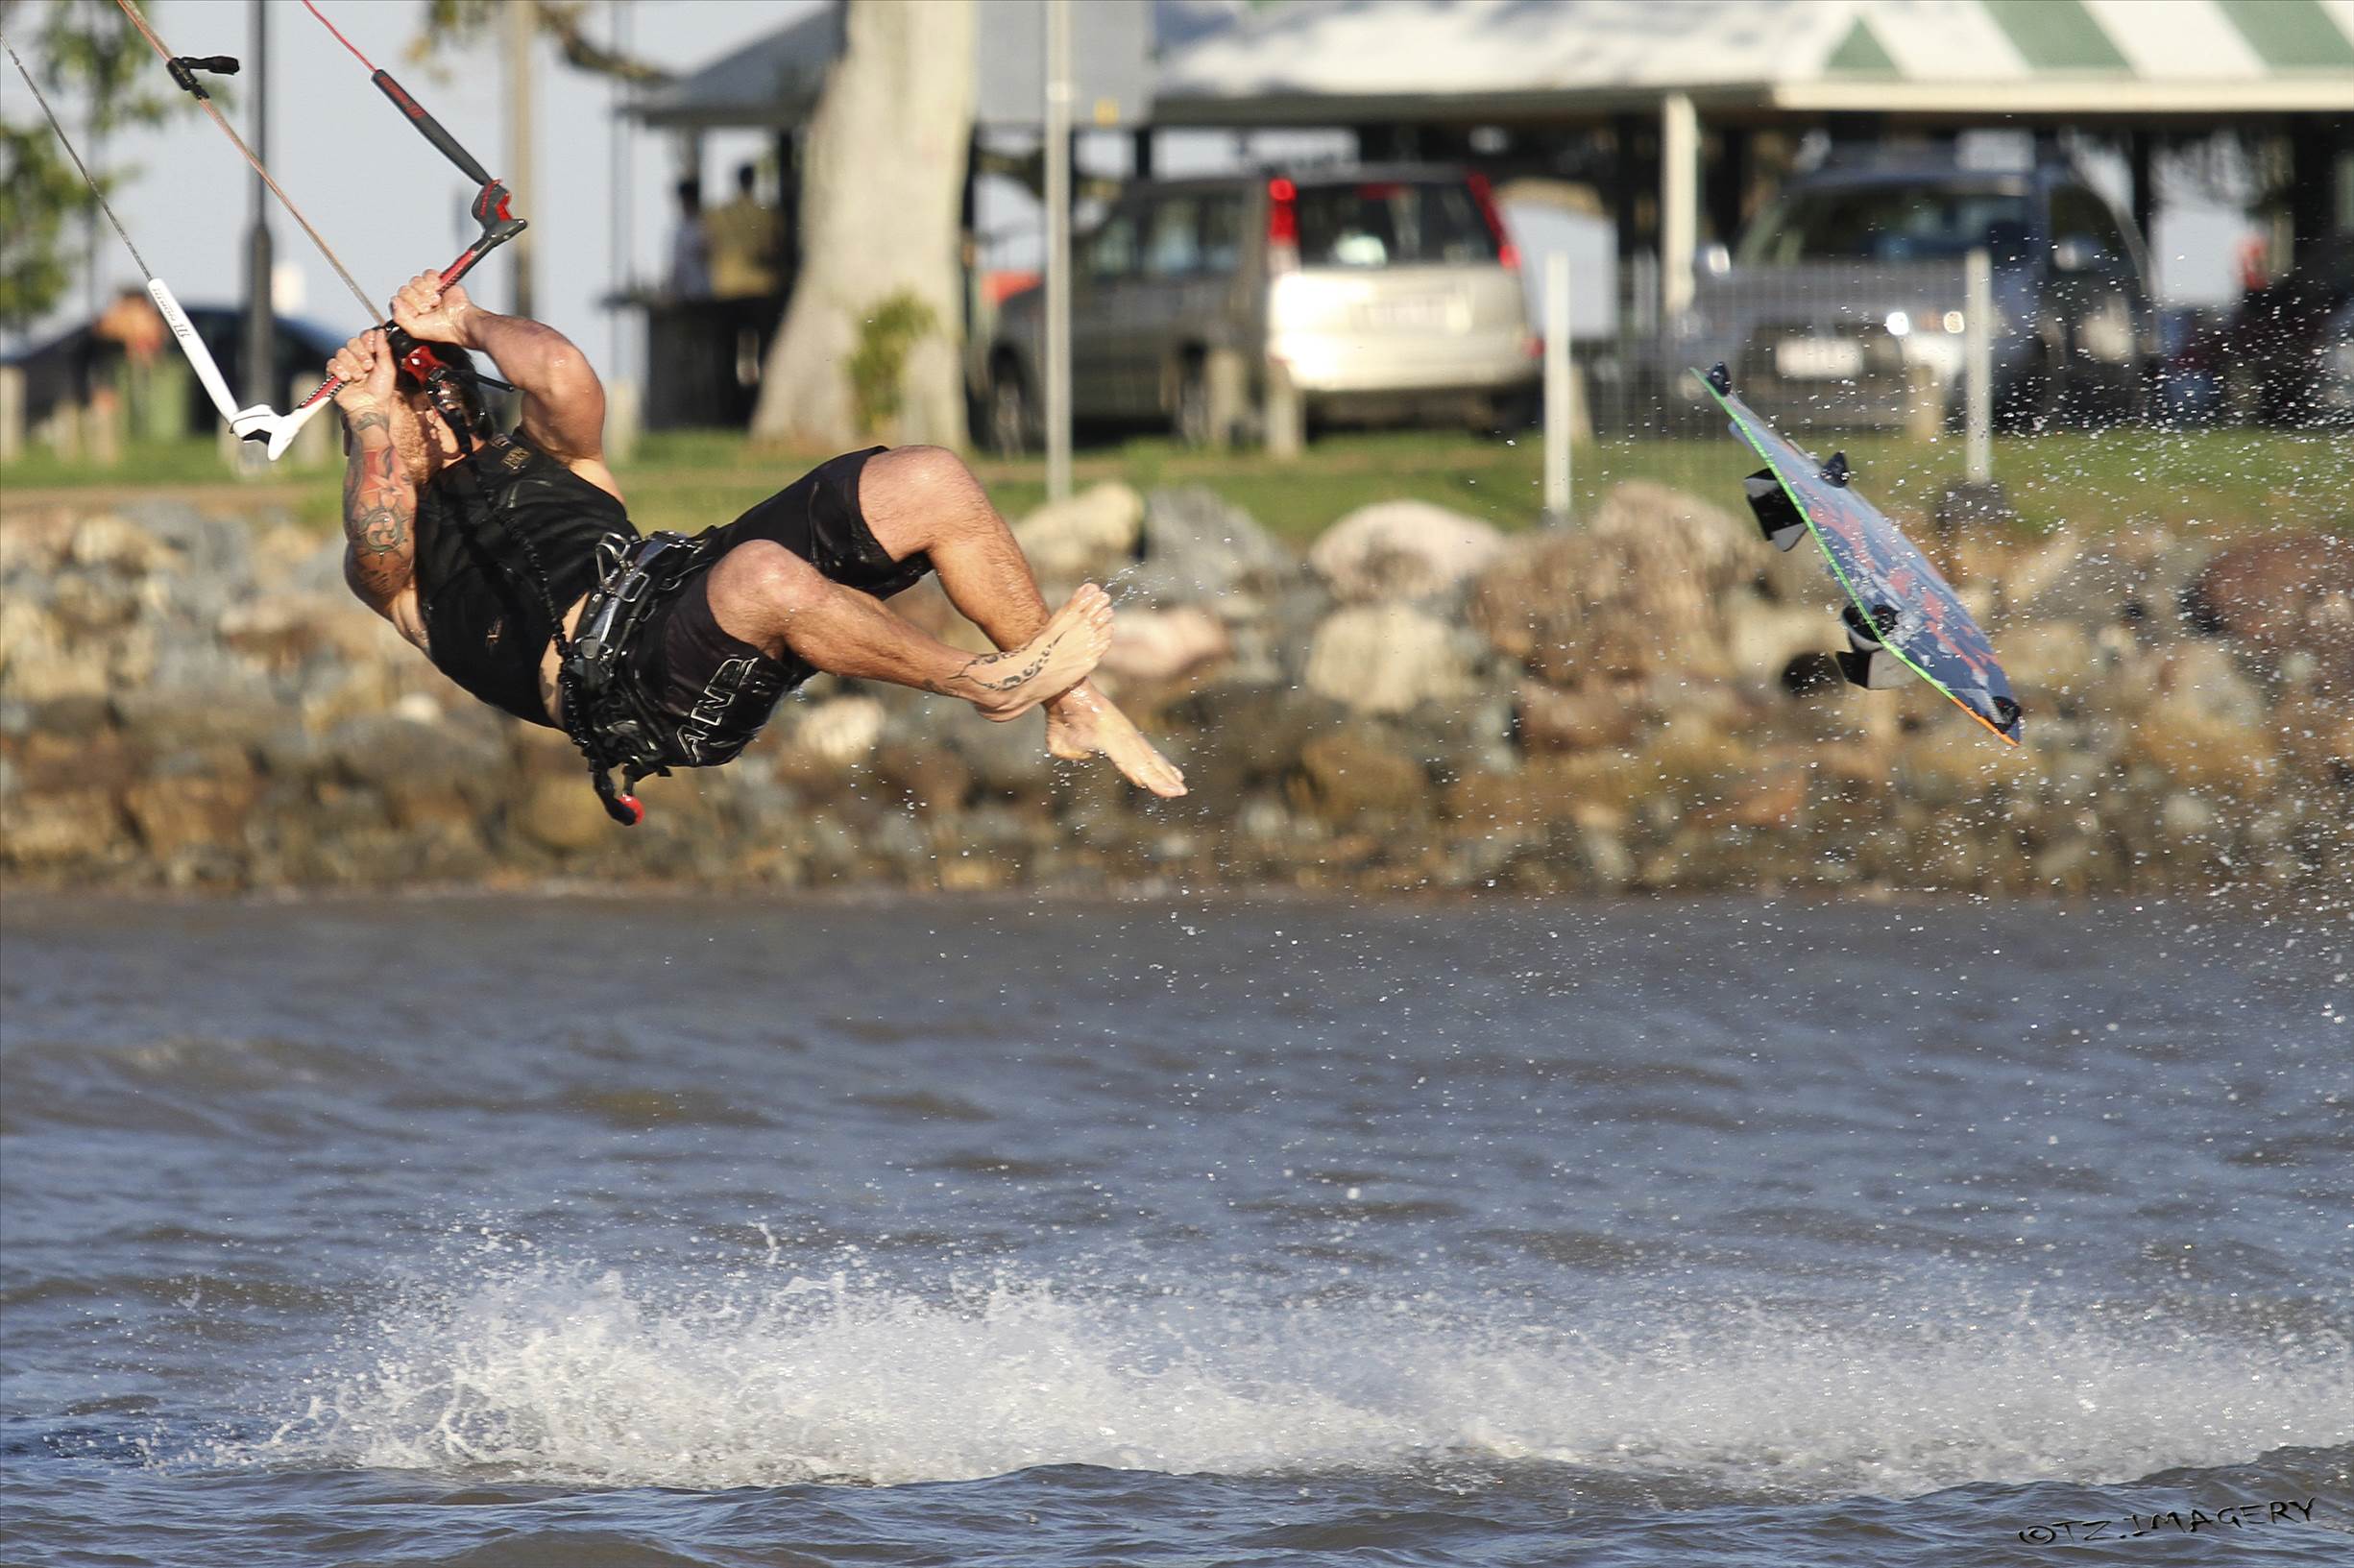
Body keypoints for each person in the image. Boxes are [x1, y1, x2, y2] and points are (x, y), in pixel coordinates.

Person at [325, 271, 1185, 823]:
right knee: (764, 576)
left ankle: (1068, 702)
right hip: (635, 691)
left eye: (418, 386)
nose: (417, 404)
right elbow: (377, 524)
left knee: (929, 479)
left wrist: (464, 318)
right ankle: (983, 684)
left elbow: (558, 373)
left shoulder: (556, 456)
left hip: (685, 585)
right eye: (400, 401)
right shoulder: (396, 575)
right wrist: (368, 414)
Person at [703, 161, 780, 302]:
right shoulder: (766, 214)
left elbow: (709, 245)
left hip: (726, 285)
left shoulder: (719, 213)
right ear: (753, 181)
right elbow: (771, 248)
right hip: (760, 286)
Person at [667, 178, 711, 300]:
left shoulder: (704, 225)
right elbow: (677, 267)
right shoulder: (679, 230)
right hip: (685, 294)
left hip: (703, 292)